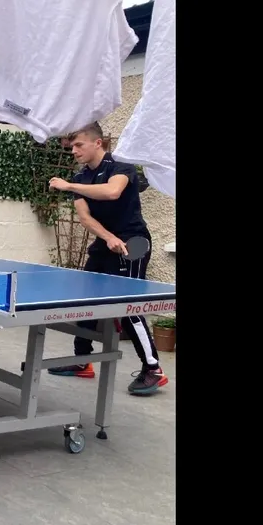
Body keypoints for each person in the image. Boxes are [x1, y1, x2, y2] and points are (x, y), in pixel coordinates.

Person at [44, 121, 167, 396]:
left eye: (78, 145)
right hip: (106, 243)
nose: (73, 151)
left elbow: (112, 191)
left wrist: (68, 185)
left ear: (97, 143)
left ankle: (153, 368)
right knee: (86, 300)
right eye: (71, 146)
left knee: (129, 307)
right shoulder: (81, 178)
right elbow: (85, 218)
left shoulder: (121, 165)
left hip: (134, 241)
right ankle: (82, 360)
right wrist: (108, 236)